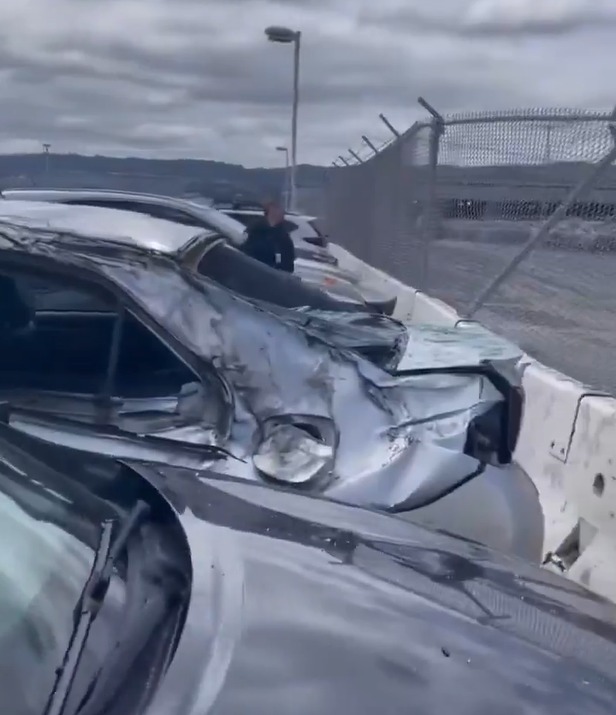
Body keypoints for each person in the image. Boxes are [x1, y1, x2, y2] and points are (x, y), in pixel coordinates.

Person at [240, 201, 295, 273]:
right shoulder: (255, 229)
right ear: (269, 213)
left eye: (281, 212)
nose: (281, 215)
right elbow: (245, 250)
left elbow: (288, 258)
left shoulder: (283, 235)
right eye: (277, 211)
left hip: (274, 275)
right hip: (254, 271)